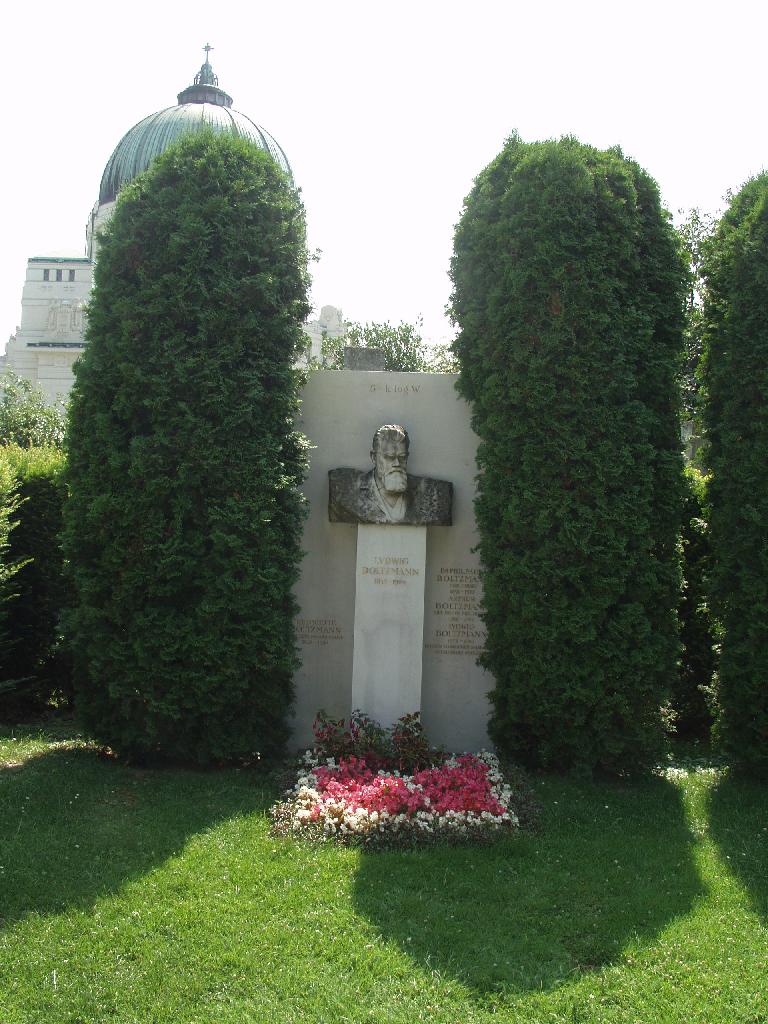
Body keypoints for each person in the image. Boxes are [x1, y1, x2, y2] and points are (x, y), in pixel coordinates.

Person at [328, 423, 452, 526]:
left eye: (402, 457)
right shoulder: (348, 492)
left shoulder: (431, 494)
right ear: (373, 457)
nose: (397, 463)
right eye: (389, 457)